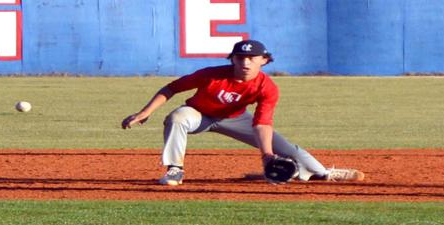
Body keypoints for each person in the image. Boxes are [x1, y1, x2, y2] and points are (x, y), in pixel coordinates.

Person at [120, 40, 364, 187]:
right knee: (177, 117)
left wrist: (267, 155)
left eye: (252, 58)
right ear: (232, 59)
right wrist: (144, 112)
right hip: (200, 114)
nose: (245, 63)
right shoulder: (211, 74)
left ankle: (321, 173)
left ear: (264, 61)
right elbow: (172, 87)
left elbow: (262, 123)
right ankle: (175, 169)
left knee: (289, 150)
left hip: (236, 119)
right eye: (240, 57)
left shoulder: (267, 87)